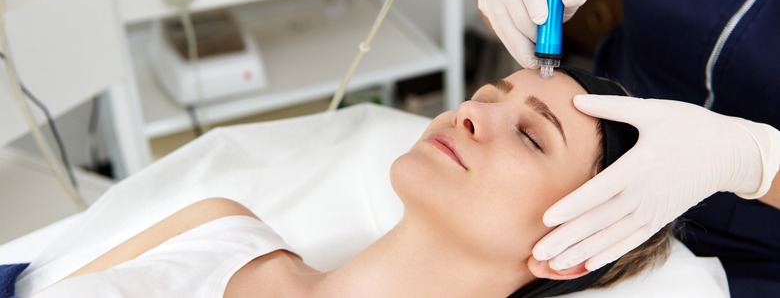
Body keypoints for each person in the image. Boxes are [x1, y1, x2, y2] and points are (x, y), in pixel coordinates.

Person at [7, 67, 674, 298]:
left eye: (532, 136)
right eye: (485, 94)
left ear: (569, 248)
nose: (469, 113)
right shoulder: (218, 223)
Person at [476, 0, 780, 296]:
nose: (467, 114)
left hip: (763, 251)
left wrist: (751, 160)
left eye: (532, 136)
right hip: (590, 180)